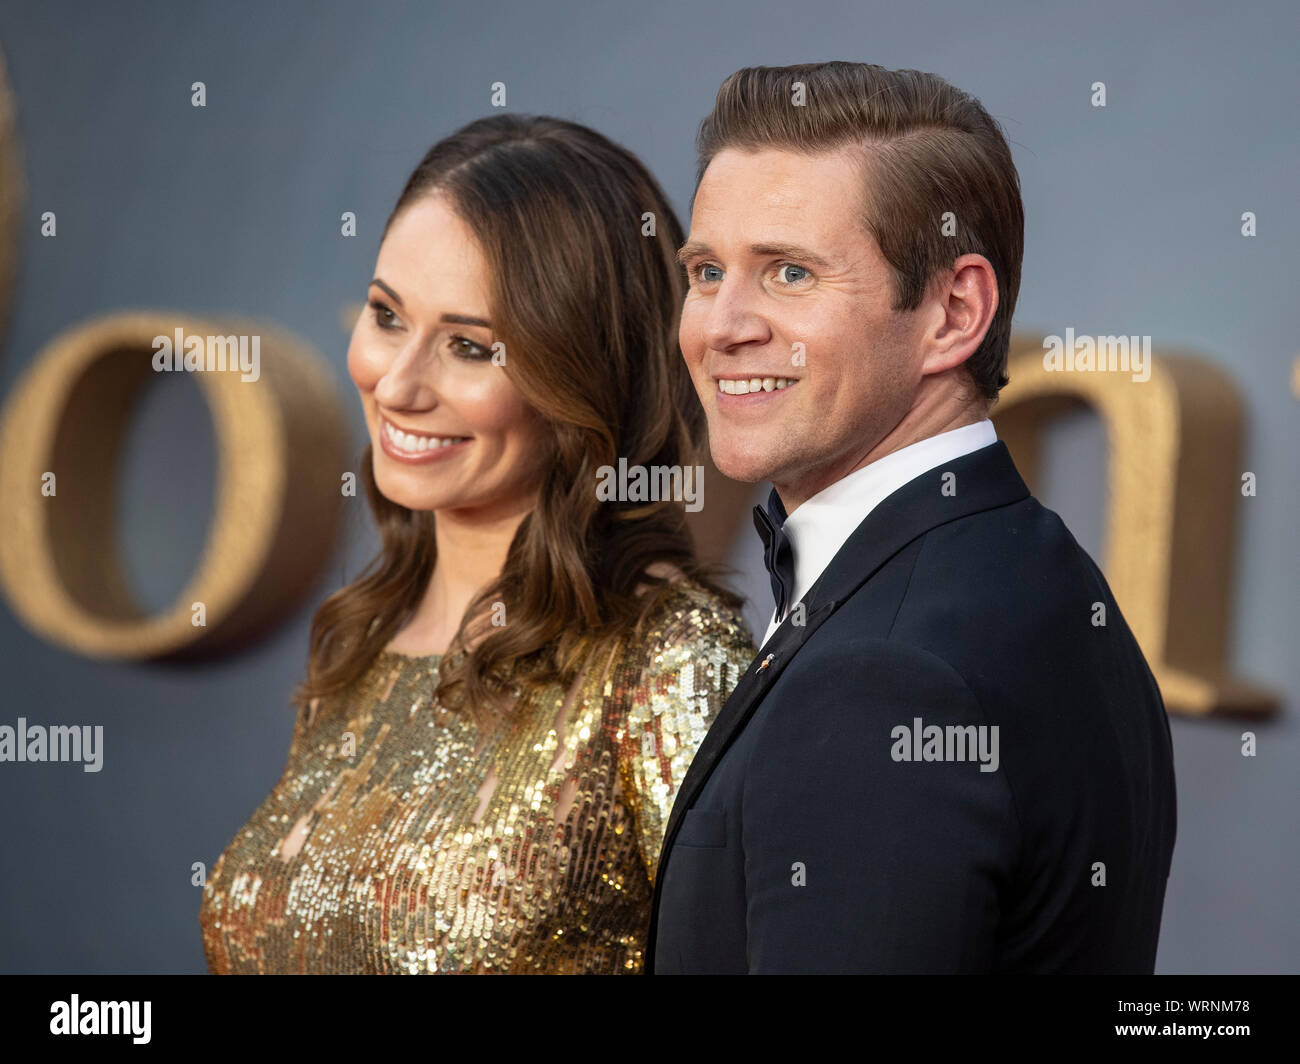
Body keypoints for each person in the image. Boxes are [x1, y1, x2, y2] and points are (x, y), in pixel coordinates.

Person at [648, 61, 1177, 973]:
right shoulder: (1038, 572)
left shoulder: (884, 678)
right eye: (706, 271)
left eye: (789, 272)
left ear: (952, 311)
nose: (720, 326)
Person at [199, 114, 756, 974]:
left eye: (469, 346)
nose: (398, 382)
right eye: (387, 316)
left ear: (582, 373)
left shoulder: (668, 661)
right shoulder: (365, 637)